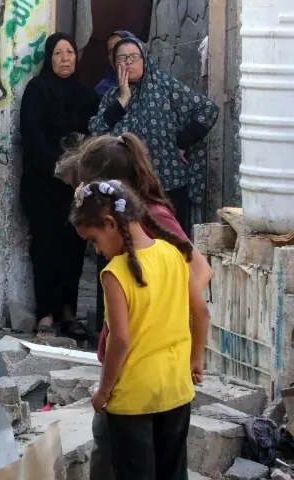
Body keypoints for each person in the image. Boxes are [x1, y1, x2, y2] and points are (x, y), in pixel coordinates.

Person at [55, 133, 213, 480]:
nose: (96, 251)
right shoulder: (169, 254)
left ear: (110, 219)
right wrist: (195, 355)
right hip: (176, 390)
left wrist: (104, 389)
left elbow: (121, 340)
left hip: (131, 394)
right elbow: (201, 311)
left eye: (94, 241)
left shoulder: (116, 272)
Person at [88, 36, 219, 234]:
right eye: (122, 58)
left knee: (167, 246)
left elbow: (208, 110)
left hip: (167, 185)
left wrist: (183, 142)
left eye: (134, 56)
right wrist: (122, 100)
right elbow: (96, 131)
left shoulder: (166, 87)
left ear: (144, 59)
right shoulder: (111, 97)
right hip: (126, 189)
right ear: (115, 64)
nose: (129, 62)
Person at [19, 32, 100, 338]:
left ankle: (68, 312)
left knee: (73, 248)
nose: (65, 58)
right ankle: (45, 313)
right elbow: (31, 136)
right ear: (49, 58)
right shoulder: (37, 91)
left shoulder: (86, 95)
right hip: (43, 185)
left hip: (76, 188)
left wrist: (77, 172)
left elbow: (96, 132)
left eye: (69, 52)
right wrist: (59, 168)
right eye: (58, 53)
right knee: (45, 248)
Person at [94, 31, 138, 98]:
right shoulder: (102, 89)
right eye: (111, 51)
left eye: (120, 48)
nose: (116, 54)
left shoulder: (155, 83)